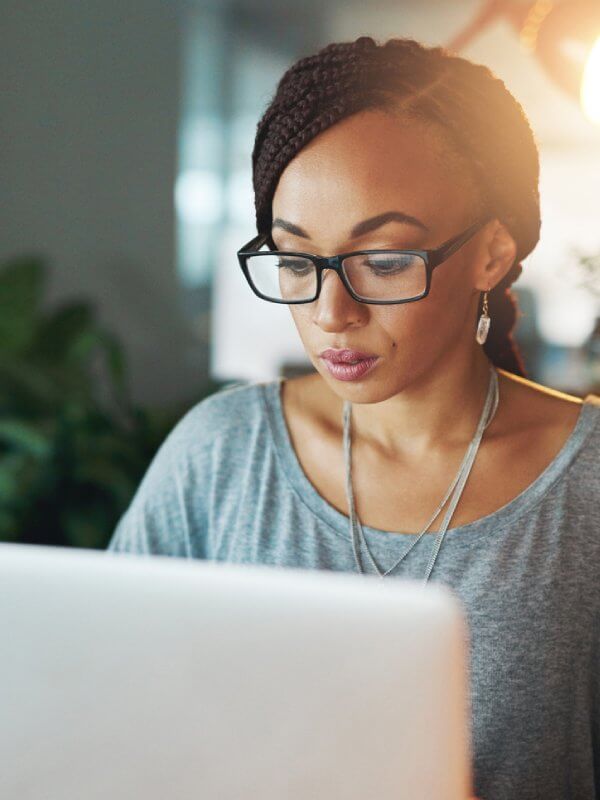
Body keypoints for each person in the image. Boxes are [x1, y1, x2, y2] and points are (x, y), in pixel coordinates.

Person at [107, 36, 600, 800]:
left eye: (386, 260)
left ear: (493, 253)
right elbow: (106, 723)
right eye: (297, 260)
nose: (332, 314)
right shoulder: (220, 456)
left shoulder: (586, 488)